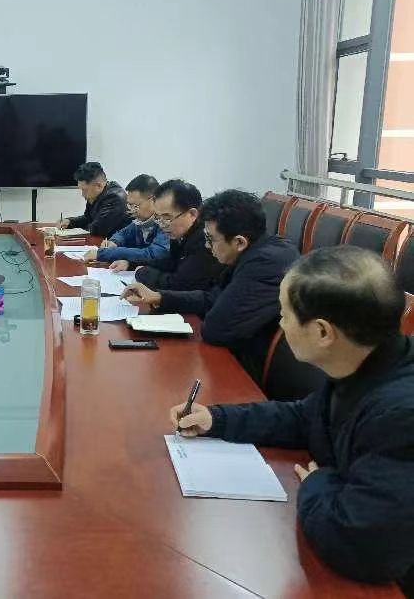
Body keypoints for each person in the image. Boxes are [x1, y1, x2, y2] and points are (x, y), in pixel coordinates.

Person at [170, 246, 414, 591]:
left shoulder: (401, 415)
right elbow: (304, 417)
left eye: (284, 315)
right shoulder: (371, 361)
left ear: (323, 332)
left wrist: (319, 481)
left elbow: (360, 547)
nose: (280, 325)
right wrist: (217, 419)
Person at [122, 190, 299, 381]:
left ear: (239, 242)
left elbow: (216, 330)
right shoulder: (253, 252)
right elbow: (212, 297)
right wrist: (159, 297)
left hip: (250, 376)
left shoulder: (266, 264)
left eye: (210, 239)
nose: (207, 246)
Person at [111, 179, 224, 291]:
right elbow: (170, 261)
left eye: (167, 218)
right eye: (158, 218)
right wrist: (131, 264)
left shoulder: (206, 239)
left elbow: (180, 284)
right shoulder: (179, 232)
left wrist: (143, 273)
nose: (161, 225)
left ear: (192, 214)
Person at [85, 174, 169, 264]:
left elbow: (152, 255)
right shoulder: (140, 221)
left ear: (153, 200)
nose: (132, 210)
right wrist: (114, 242)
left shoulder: (165, 223)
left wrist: (104, 254)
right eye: (129, 205)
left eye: (136, 206)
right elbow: (123, 233)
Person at [58, 162, 131, 238]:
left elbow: (97, 229)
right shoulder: (98, 193)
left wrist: (72, 232)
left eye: (85, 190)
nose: (82, 195)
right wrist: (69, 222)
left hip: (119, 243)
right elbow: (88, 218)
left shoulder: (115, 197)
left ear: (98, 185)